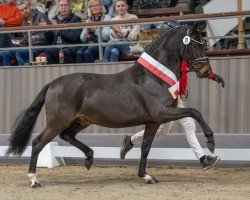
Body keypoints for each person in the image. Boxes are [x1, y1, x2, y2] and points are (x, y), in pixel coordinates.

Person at [120, 20, 222, 171]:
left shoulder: (181, 53)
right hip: (168, 95)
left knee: (162, 131)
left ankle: (130, 140)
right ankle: (202, 159)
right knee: (189, 124)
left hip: (175, 94)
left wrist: (213, 76)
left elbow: (194, 67)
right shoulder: (170, 54)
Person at [44, 0, 82, 64]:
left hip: (70, 46)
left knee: (65, 52)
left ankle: (69, 72)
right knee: (48, 51)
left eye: (65, 5)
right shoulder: (54, 19)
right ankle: (53, 73)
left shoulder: (76, 19)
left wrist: (59, 28)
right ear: (58, 7)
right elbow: (50, 41)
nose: (63, 7)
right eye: (61, 5)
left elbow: (74, 37)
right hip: (56, 47)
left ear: (70, 7)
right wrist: (47, 31)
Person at [14, 0, 52, 66]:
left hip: (42, 46)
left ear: (30, 6)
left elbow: (51, 36)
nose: (24, 11)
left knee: (19, 53)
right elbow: (26, 38)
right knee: (6, 53)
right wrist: (22, 42)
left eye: (26, 8)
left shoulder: (41, 16)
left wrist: (38, 37)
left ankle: (25, 73)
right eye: (22, 10)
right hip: (30, 47)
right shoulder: (23, 22)